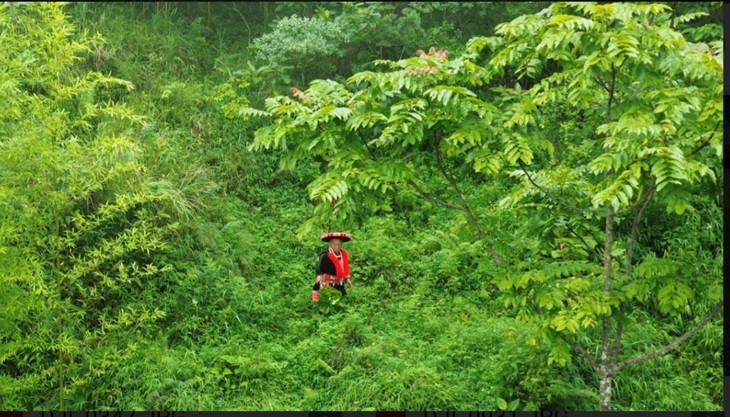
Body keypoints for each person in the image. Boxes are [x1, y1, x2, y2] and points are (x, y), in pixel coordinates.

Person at [312, 232, 352, 302]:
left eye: (339, 244)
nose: (337, 246)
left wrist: (347, 279)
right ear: (330, 244)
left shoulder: (343, 255)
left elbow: (344, 268)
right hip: (327, 283)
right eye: (334, 244)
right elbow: (319, 269)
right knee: (327, 301)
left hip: (340, 283)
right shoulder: (324, 255)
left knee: (343, 300)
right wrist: (321, 281)